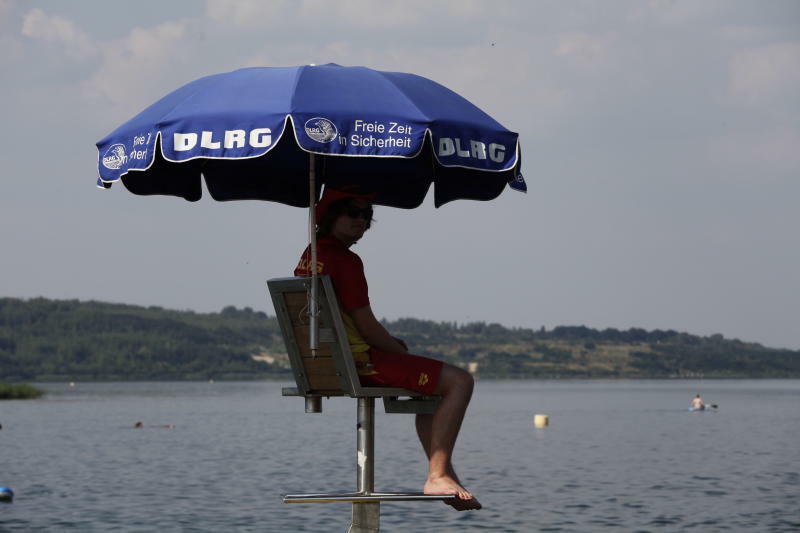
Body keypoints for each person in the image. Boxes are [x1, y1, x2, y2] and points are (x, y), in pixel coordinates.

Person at [294, 187, 481, 511]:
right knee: (459, 381)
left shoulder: (311, 254)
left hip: (325, 363)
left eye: (367, 215)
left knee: (430, 390)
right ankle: (437, 475)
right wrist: (400, 352)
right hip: (360, 362)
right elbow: (367, 327)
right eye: (353, 212)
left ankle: (443, 471)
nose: (362, 221)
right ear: (329, 215)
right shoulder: (345, 260)